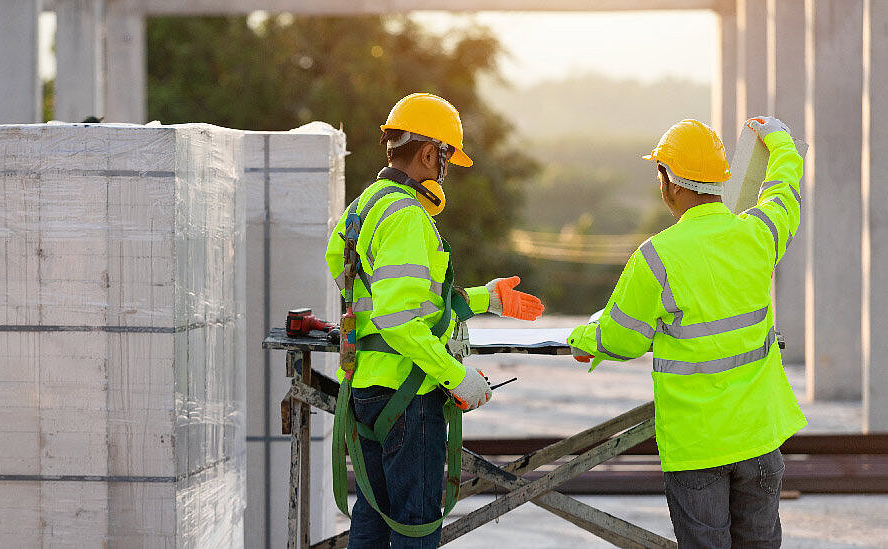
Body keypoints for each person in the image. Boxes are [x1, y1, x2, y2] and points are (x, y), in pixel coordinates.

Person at [566, 117, 807, 548]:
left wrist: (585, 339)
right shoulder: (758, 234)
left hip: (698, 448)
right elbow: (784, 192)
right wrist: (781, 142)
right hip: (759, 437)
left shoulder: (656, 257)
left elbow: (621, 339)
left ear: (671, 182)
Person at [325, 92, 544, 549]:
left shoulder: (364, 208)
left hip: (366, 388)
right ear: (429, 153)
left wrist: (488, 299)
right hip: (409, 395)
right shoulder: (407, 218)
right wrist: (454, 375)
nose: (445, 171)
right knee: (415, 526)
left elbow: (379, 294)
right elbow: (399, 319)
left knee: (374, 517)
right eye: (445, 158)